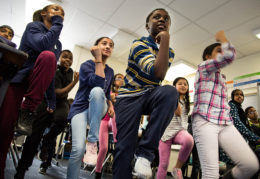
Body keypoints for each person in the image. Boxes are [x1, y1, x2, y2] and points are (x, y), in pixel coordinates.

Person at [112, 8, 179, 179]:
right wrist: (165, 39)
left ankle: (144, 155)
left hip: (149, 95)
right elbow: (156, 73)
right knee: (125, 148)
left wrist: (165, 41)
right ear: (147, 25)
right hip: (129, 97)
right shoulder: (138, 44)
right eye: (156, 17)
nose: (162, 20)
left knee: (171, 92)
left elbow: (159, 77)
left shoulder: (168, 52)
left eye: (166, 19)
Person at [0, 4, 64, 179]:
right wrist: (58, 23)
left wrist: (51, 100)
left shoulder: (57, 44)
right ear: (43, 14)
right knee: (4, 128)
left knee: (50, 57)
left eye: (61, 12)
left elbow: (50, 72)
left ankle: (28, 110)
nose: (60, 14)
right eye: (55, 10)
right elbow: (42, 45)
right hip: (20, 79)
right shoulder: (34, 27)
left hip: (37, 87)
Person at [192, 30, 259, 179]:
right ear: (208, 57)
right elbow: (229, 56)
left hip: (224, 122)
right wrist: (223, 39)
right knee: (211, 174)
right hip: (205, 121)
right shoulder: (203, 68)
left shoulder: (222, 78)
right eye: (218, 51)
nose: (222, 52)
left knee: (250, 165)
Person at [13, 49, 78, 179]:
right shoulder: (54, 69)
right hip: (46, 99)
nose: (68, 60)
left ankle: (46, 141)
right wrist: (74, 82)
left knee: (62, 119)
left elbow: (63, 96)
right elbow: (57, 92)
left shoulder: (70, 72)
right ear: (59, 58)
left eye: (70, 58)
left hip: (61, 103)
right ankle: (22, 169)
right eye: (65, 57)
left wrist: (72, 81)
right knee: (33, 137)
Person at [66, 37, 114, 179]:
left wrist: (111, 105)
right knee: (78, 149)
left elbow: (106, 93)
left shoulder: (110, 71)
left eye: (111, 45)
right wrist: (98, 58)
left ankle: (92, 141)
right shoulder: (86, 65)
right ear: (96, 47)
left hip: (99, 107)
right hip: (80, 108)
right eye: (104, 43)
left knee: (98, 93)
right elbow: (97, 83)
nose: (107, 46)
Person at [157, 77, 194, 179]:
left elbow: (184, 118)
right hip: (165, 133)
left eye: (185, 84)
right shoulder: (169, 98)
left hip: (179, 131)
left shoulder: (186, 102)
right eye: (180, 84)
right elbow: (176, 112)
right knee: (163, 164)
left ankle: (177, 168)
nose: (183, 85)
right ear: (174, 86)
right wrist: (173, 97)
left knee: (189, 140)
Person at [219, 89, 260, 179]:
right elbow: (237, 124)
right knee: (232, 171)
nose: (239, 96)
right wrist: (254, 137)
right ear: (233, 96)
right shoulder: (232, 106)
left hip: (236, 142)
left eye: (241, 95)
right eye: (237, 94)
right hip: (232, 142)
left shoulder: (239, 108)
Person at [94, 73, 124, 179]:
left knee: (114, 116)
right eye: (119, 78)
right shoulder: (108, 92)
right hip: (105, 121)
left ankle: (117, 140)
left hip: (114, 122)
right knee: (103, 148)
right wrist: (111, 99)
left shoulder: (124, 95)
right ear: (114, 81)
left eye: (123, 79)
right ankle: (97, 173)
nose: (121, 80)